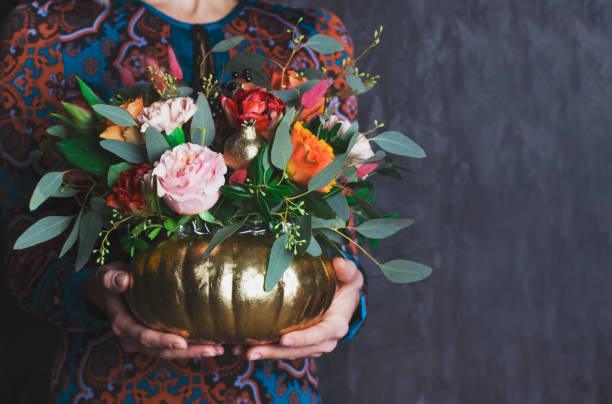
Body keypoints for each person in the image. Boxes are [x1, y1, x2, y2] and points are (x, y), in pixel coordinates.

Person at [1, 0, 368, 402]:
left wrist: (347, 301)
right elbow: (21, 254)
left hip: (271, 388)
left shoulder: (311, 37)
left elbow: (339, 237)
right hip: (111, 386)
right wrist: (94, 292)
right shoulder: (47, 29)